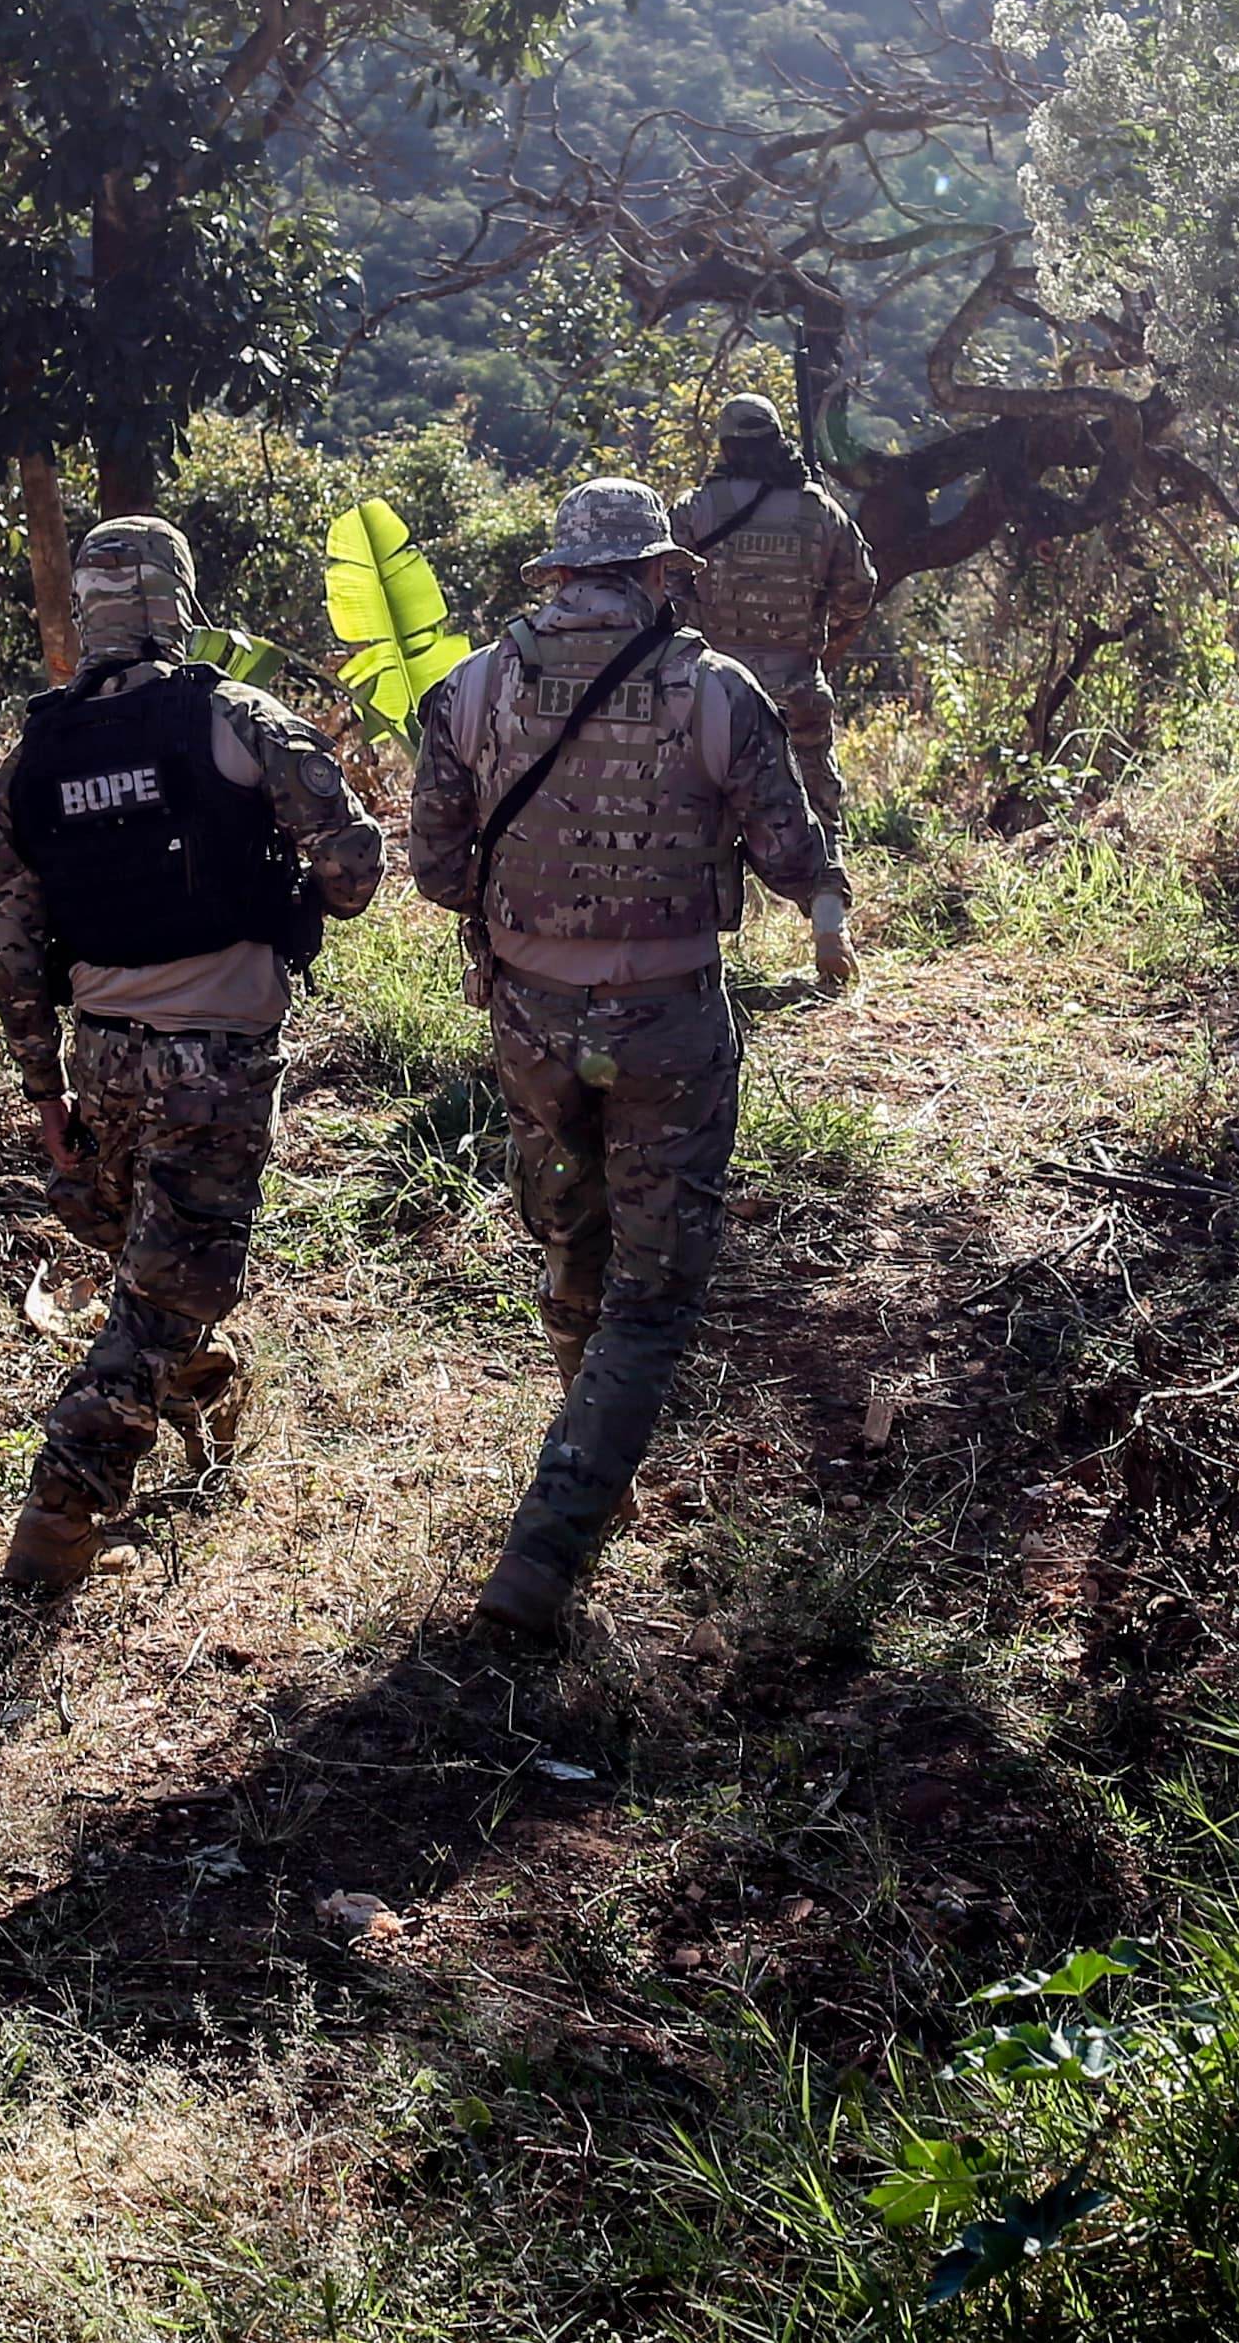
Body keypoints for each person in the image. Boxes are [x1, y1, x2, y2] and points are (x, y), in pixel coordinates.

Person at [405, 479, 853, 1640]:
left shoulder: (468, 686)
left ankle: (583, 1449)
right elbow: (785, 847)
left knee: (572, 1236)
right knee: (652, 1298)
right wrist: (824, 907)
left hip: (529, 1013)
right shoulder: (713, 689)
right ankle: (548, 1546)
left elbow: (439, 869)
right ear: (657, 572)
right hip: (664, 1018)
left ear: (557, 574)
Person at [0, 514, 388, 1595]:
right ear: (177, 598)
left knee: (153, 1265)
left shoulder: (32, 755)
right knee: (162, 1297)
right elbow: (348, 871)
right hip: (215, 1057)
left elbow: (10, 949)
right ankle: (59, 1517)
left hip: (103, 1057)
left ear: (89, 610)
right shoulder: (237, 716)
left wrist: (44, 1093)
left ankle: (201, 1382)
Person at [675, 391, 882, 832]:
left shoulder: (695, 509)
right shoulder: (819, 510)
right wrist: (818, 628)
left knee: (691, 815)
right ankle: (826, 890)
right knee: (818, 821)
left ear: (726, 446)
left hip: (710, 693)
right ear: (777, 440)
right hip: (796, 688)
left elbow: (661, 594)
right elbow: (859, 593)